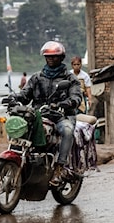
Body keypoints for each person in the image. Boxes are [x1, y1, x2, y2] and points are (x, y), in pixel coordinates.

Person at [18, 41, 83, 186]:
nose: (51, 59)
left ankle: (60, 167)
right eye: (48, 56)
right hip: (39, 115)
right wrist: (14, 98)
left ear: (61, 57)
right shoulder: (37, 77)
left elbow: (77, 97)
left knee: (67, 130)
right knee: (20, 128)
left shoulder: (70, 79)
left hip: (62, 115)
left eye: (55, 56)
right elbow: (25, 94)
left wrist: (65, 103)